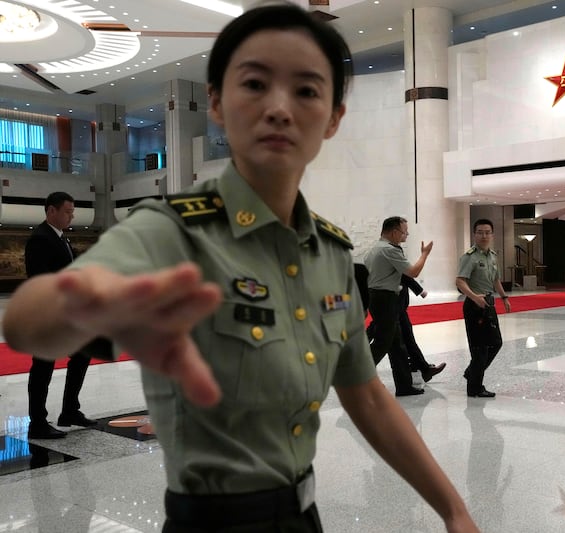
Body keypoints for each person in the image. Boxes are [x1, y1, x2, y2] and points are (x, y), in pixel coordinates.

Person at [2, 4, 478, 532]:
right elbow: (30, 322)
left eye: (306, 90)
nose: (279, 107)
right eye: (254, 83)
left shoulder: (329, 253)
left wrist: (453, 509)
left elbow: (365, 392)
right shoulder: (172, 230)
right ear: (216, 103)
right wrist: (83, 305)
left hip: (304, 514)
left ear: (334, 117)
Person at [24, 191, 97, 439]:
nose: (71, 216)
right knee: (43, 367)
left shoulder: (60, 238)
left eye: (72, 211)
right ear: (51, 211)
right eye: (67, 211)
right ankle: (37, 423)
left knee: (82, 354)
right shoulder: (40, 238)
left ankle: (69, 410)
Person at [363, 216, 432, 396]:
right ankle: (357, 378)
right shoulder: (389, 250)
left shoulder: (376, 248)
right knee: (382, 343)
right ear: (394, 232)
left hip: (381, 298)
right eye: (404, 232)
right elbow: (413, 272)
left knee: (396, 345)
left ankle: (404, 386)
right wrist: (424, 254)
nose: (406, 235)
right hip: (384, 299)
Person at [456, 219, 511, 398]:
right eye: (480, 232)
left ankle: (472, 372)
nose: (484, 236)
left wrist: (504, 298)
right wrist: (474, 297)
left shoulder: (493, 256)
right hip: (474, 305)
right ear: (474, 234)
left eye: (487, 232)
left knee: (496, 342)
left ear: (492, 234)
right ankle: (475, 388)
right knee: (479, 348)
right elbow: (460, 281)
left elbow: (495, 280)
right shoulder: (469, 256)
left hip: (489, 303)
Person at [366, 274, 446, 382]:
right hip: (394, 303)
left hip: (391, 302)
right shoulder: (389, 257)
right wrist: (419, 289)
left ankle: (419, 366)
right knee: (403, 338)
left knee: (389, 333)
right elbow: (406, 272)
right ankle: (423, 368)